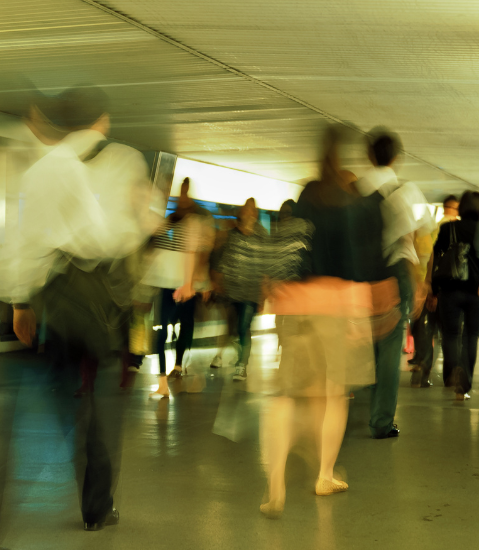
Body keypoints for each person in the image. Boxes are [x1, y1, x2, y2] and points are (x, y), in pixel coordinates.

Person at [0, 84, 159, 531]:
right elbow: (106, 239)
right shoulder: (125, 160)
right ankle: (97, 505)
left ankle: (86, 479)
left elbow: (21, 244)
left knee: (73, 401)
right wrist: (141, 223)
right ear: (101, 119)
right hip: (105, 301)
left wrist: (19, 304)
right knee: (103, 405)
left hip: (56, 302)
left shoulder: (40, 171)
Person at [260, 125, 385, 518]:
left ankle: (275, 486)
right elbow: (360, 263)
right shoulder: (356, 204)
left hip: (296, 305)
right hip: (338, 304)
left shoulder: (306, 197)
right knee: (333, 396)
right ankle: (324, 474)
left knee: (288, 394)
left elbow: (292, 250)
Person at [353, 128, 430, 440]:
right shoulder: (407, 191)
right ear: (396, 158)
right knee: (389, 346)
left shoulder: (354, 190)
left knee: (363, 339)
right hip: (396, 271)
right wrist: (420, 281)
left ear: (369, 156)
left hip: (360, 273)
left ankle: (357, 408)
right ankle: (381, 420)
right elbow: (422, 236)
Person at [212, 198, 301, 381]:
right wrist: (220, 281)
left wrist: (264, 292)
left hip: (250, 291)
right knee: (235, 327)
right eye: (244, 209)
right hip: (232, 290)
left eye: (249, 210)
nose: (246, 213)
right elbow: (226, 259)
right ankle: (233, 357)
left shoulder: (261, 236)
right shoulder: (233, 234)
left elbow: (265, 265)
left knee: (244, 327)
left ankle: (241, 366)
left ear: (255, 214)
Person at [143, 178, 213, 399]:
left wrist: (193, 284)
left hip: (182, 286)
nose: (181, 201)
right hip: (165, 285)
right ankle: (162, 381)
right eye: (179, 197)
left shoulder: (193, 224)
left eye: (185, 197)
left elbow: (195, 255)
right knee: (161, 331)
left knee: (182, 325)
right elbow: (152, 254)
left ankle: (178, 364)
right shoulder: (166, 223)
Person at [429, 191, 479, 400]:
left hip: (450, 289)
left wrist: (431, 286)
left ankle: (450, 376)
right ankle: (462, 386)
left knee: (451, 335)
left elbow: (435, 256)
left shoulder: (448, 228)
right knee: (471, 336)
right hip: (478, 292)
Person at [409, 195, 458, 387]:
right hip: (439, 286)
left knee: (424, 329)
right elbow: (434, 258)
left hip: (420, 286)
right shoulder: (444, 230)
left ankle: (422, 371)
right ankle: (449, 375)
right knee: (446, 333)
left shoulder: (421, 233)